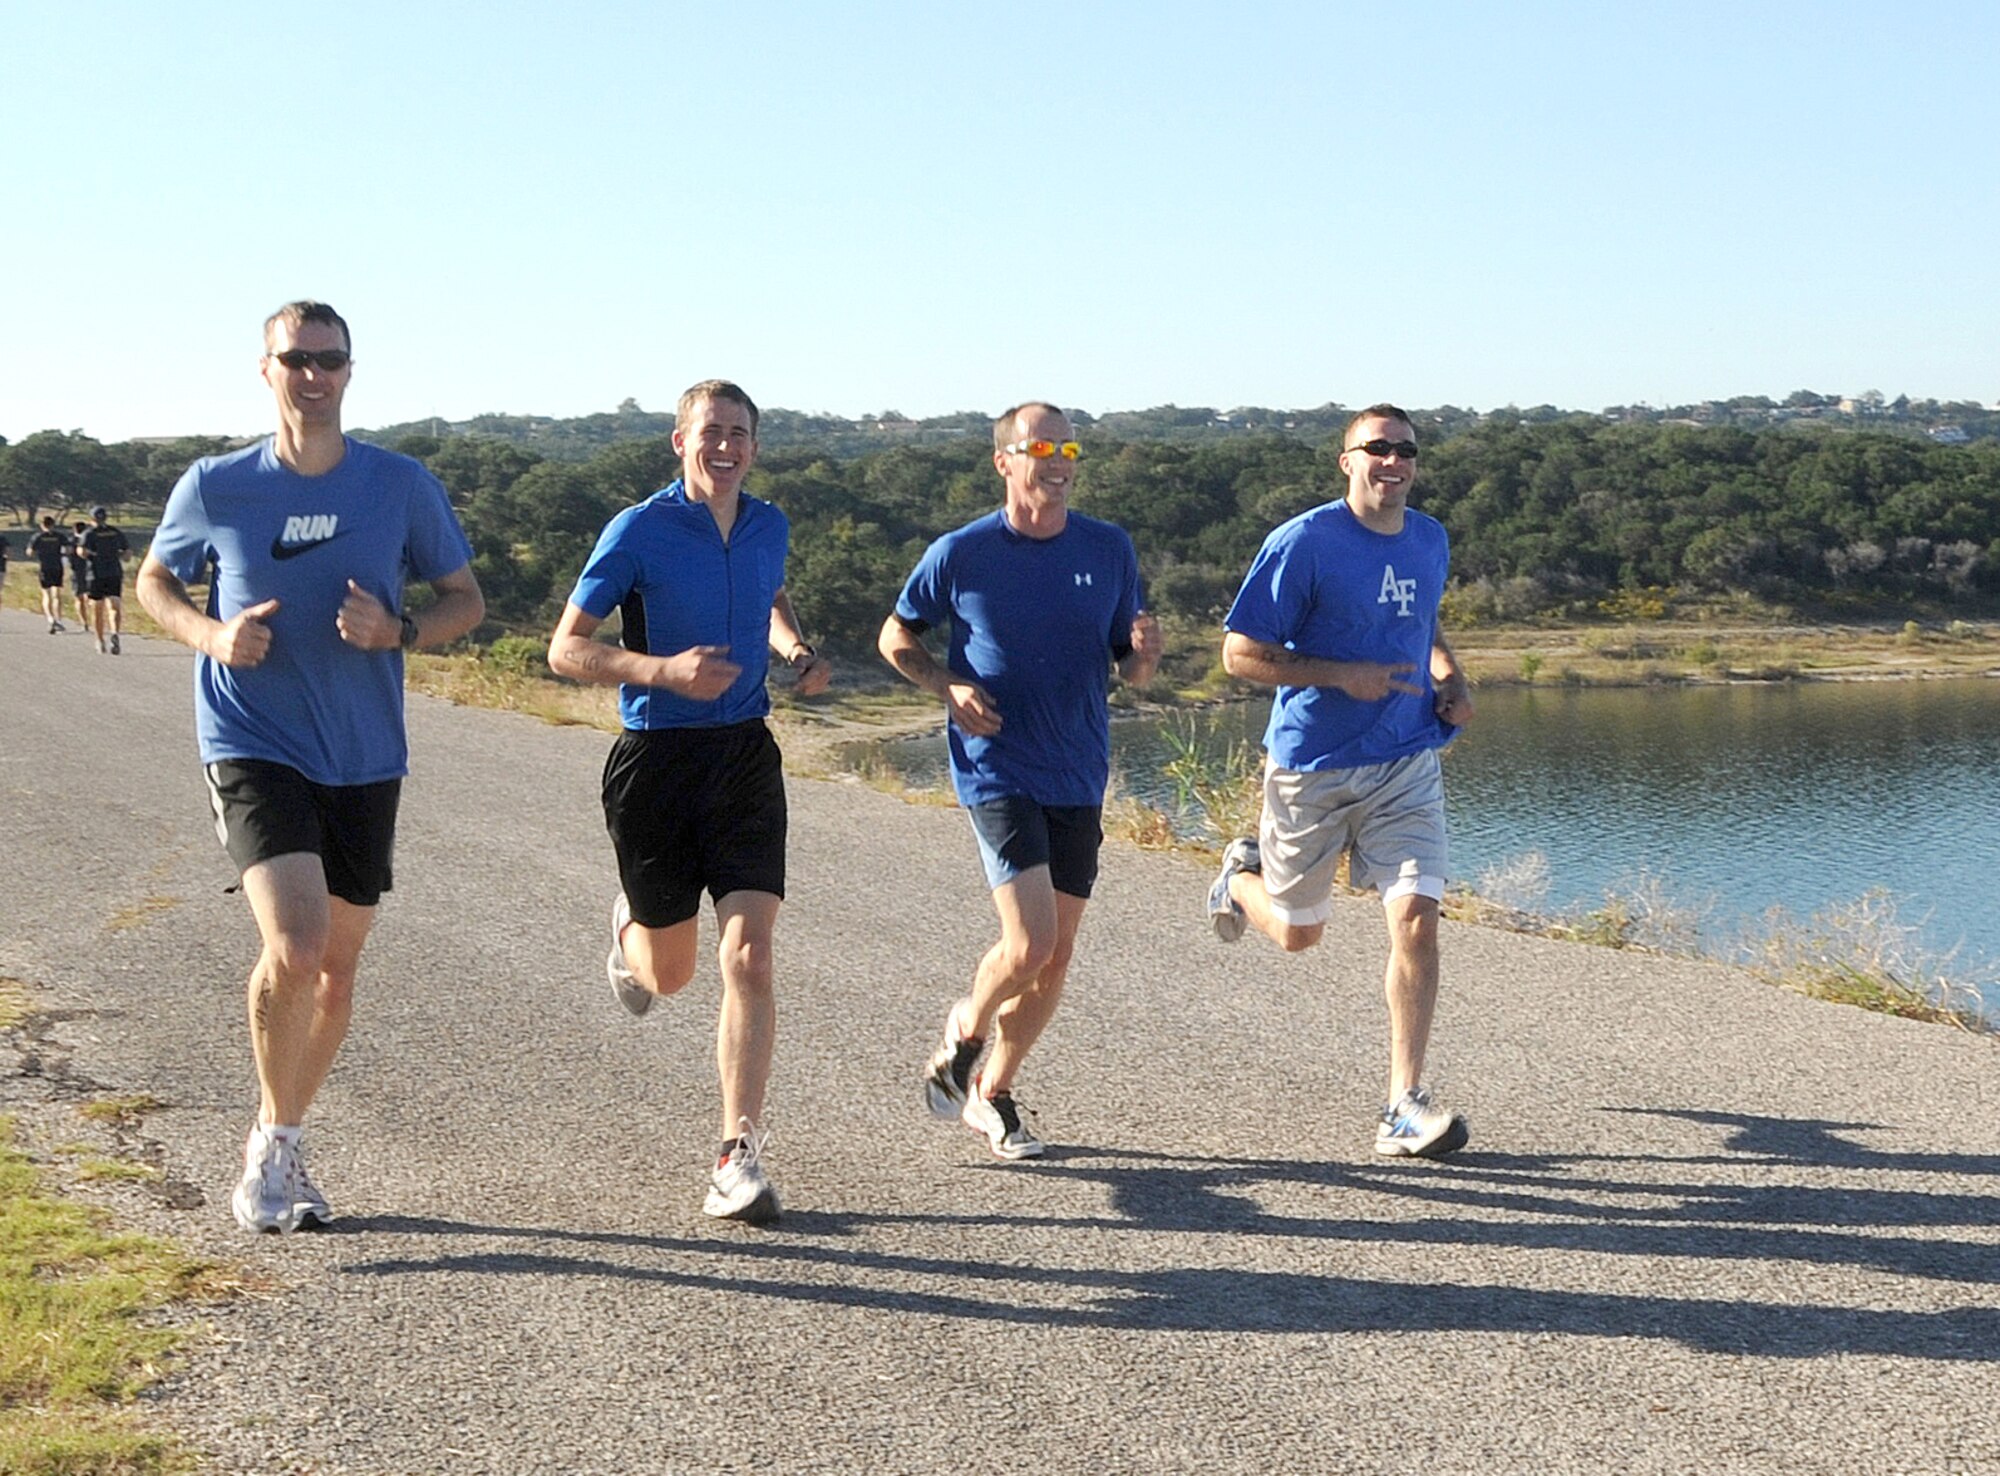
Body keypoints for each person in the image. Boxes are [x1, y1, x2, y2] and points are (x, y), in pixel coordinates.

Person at [137, 300, 484, 1234]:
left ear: (349, 370)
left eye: (329, 360)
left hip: (365, 752)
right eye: (296, 359)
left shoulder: (401, 485)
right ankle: (273, 1152)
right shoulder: (216, 484)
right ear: (267, 369)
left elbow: (465, 600)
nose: (313, 374)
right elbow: (154, 579)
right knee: (293, 946)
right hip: (253, 739)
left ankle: (280, 1134)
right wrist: (211, 635)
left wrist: (400, 630)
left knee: (335, 964)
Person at [547, 379, 830, 1226]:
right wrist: (660, 671)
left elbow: (771, 595)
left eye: (740, 433)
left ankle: (736, 1153)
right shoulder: (637, 530)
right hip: (657, 762)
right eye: (711, 431)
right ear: (680, 441)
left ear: (754, 446)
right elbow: (567, 649)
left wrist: (795, 649)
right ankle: (630, 932)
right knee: (668, 976)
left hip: (745, 756)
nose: (726, 446)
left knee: (749, 957)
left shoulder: (769, 524)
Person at [880, 402, 1161, 1160]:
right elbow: (895, 634)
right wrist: (947, 686)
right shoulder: (963, 552)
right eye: (1042, 446)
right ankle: (966, 1030)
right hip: (996, 762)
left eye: (1069, 445)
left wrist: (1144, 656)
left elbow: (1129, 670)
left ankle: (991, 1093)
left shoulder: (1108, 547)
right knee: (1031, 940)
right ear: (1005, 461)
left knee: (1057, 957)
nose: (1060, 459)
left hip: (1078, 766)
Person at [1206, 403, 1475, 1160]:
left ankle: (1403, 1104)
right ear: (1346, 460)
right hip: (1312, 768)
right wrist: (1339, 676)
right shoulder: (1304, 543)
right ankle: (1238, 880)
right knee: (1298, 933)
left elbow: (1424, 622)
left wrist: (1448, 674)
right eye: (1377, 449)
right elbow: (1240, 654)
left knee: (1418, 916)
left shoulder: (1429, 538)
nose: (1393, 461)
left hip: (1405, 761)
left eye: (1405, 451)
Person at [80, 505, 131, 654]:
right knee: (114, 605)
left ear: (91, 519)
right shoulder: (115, 532)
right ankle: (114, 632)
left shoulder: (89, 533)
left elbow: (81, 551)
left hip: (95, 574)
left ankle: (100, 640)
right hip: (114, 572)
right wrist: (114, 556)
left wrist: (94, 555)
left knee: (97, 608)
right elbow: (127, 554)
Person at [30, 517, 73, 632]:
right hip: (57, 566)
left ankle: (50, 619)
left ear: (42, 525)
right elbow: (69, 549)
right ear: (53, 524)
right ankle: (58, 620)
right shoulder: (60, 536)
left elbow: (30, 552)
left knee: (46, 594)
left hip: (44, 566)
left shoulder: (38, 537)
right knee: (56, 594)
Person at [68, 521, 92, 634]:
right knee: (90, 598)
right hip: (90, 570)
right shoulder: (91, 539)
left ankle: (84, 622)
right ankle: (93, 619)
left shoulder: (71, 541)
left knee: (79, 598)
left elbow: (68, 557)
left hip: (77, 572)